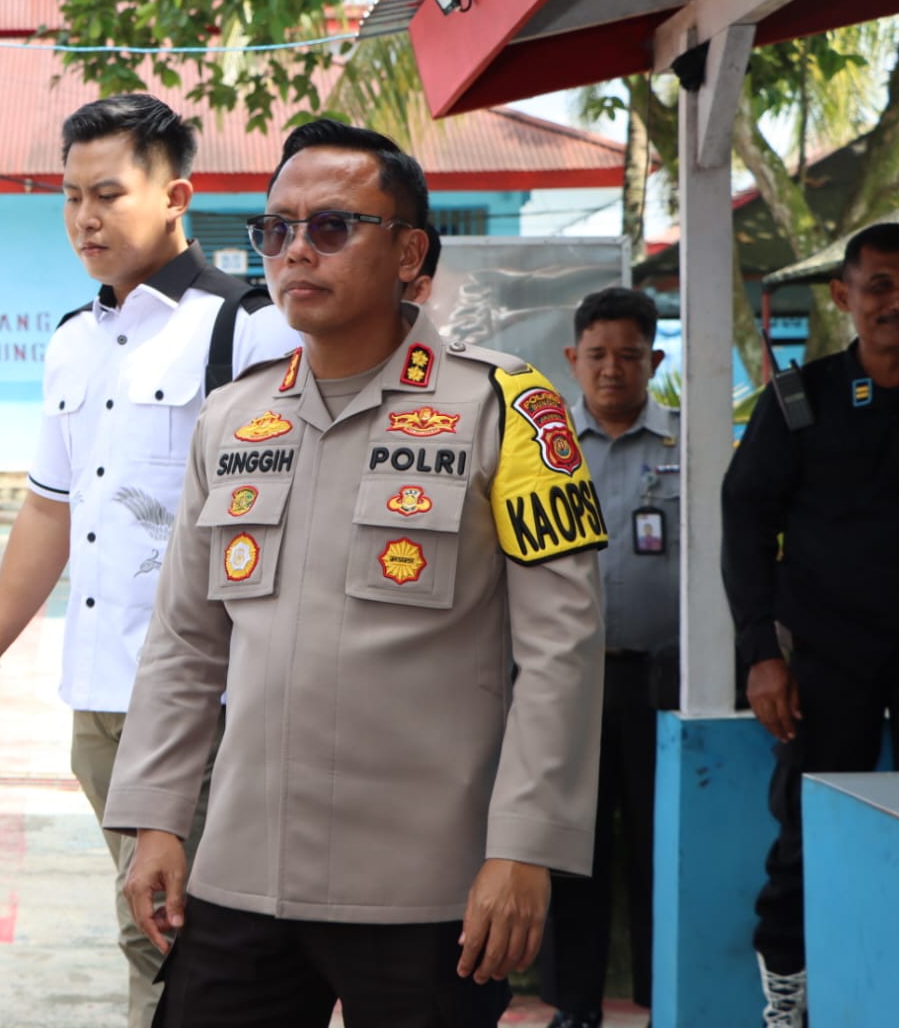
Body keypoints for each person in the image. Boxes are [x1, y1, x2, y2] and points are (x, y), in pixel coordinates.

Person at [101, 119, 608, 1028]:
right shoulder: (231, 418)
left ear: (409, 250)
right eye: (275, 230)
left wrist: (524, 848)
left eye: (331, 227)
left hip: (429, 890)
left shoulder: (508, 410)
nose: (295, 251)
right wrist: (155, 817)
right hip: (242, 873)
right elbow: (185, 642)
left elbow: (561, 652)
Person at [0, 93, 301, 1028]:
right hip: (101, 701)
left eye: (107, 194)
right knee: (144, 928)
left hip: (211, 700)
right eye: (69, 197)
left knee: (207, 937)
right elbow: (48, 512)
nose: (84, 219)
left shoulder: (249, 330)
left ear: (176, 195)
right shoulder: (73, 341)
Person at [722, 221, 899, 1028]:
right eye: (878, 285)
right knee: (802, 839)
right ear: (843, 296)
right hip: (820, 663)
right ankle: (788, 999)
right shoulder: (798, 401)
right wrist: (760, 654)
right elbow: (742, 520)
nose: (898, 302)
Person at [539, 287, 677, 1028]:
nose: (613, 370)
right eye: (596, 356)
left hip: (666, 684)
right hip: (571, 683)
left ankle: (667, 998)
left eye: (629, 356)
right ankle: (573, 1007)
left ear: (654, 359)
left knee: (663, 847)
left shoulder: (690, 441)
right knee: (573, 851)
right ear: (573, 359)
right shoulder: (545, 449)